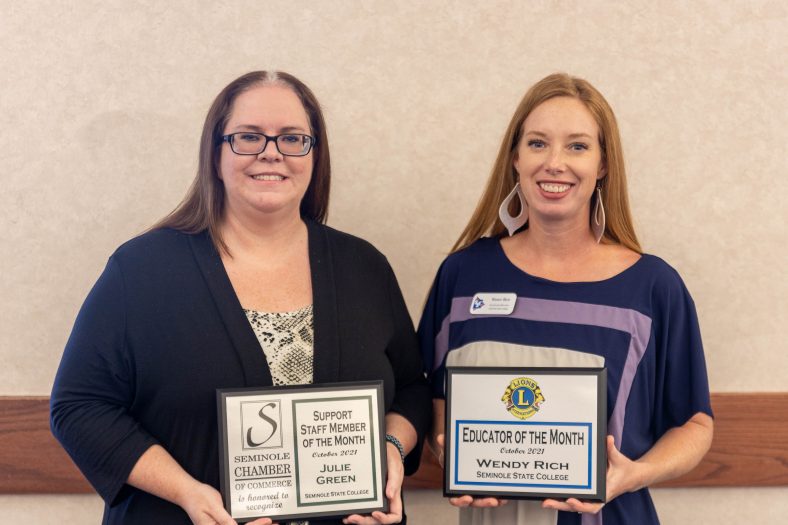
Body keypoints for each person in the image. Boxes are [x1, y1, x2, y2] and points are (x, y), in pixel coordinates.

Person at [51, 70, 431, 525]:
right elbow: (79, 407)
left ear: (315, 155)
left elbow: (411, 387)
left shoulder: (364, 267)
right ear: (215, 152)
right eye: (248, 137)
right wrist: (188, 493)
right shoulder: (142, 271)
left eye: (292, 138)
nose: (271, 153)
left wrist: (389, 449)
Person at [418, 73, 713, 525]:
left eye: (577, 146)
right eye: (538, 144)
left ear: (603, 165)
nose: (555, 162)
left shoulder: (653, 287)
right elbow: (432, 400)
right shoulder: (463, 276)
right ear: (515, 158)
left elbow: (695, 424)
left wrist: (634, 474)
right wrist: (450, 452)